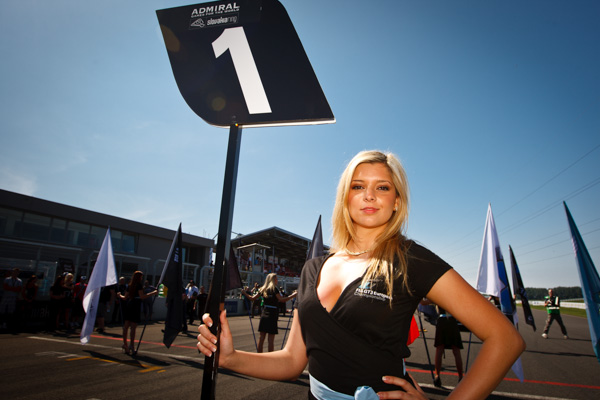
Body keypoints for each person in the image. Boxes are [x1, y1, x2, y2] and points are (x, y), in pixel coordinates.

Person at [198, 150, 526, 399]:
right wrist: (230, 358)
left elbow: (506, 338)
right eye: (358, 186)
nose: (369, 195)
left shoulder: (412, 260)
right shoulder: (313, 268)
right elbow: (292, 361)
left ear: (396, 202)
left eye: (382, 187)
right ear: (346, 197)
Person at [242, 273, 297, 353]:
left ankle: (259, 356)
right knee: (271, 339)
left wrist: (244, 293)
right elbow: (282, 300)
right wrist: (293, 295)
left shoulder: (263, 289)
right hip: (272, 314)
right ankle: (270, 356)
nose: (277, 280)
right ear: (273, 280)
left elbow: (252, 298)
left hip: (264, 313)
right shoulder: (275, 289)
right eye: (276, 279)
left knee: (261, 338)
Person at [117, 271, 158, 355]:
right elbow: (142, 296)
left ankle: (125, 344)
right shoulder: (139, 285)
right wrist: (153, 293)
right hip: (135, 305)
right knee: (133, 327)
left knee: (126, 326)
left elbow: (125, 297)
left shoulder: (130, 285)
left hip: (129, 304)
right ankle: (131, 345)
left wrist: (119, 295)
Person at [424, 301, 464, 388]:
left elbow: (424, 303)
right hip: (452, 321)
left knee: (440, 349)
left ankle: (437, 376)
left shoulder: (440, 295)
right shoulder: (453, 296)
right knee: (456, 350)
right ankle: (460, 376)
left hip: (442, 321)